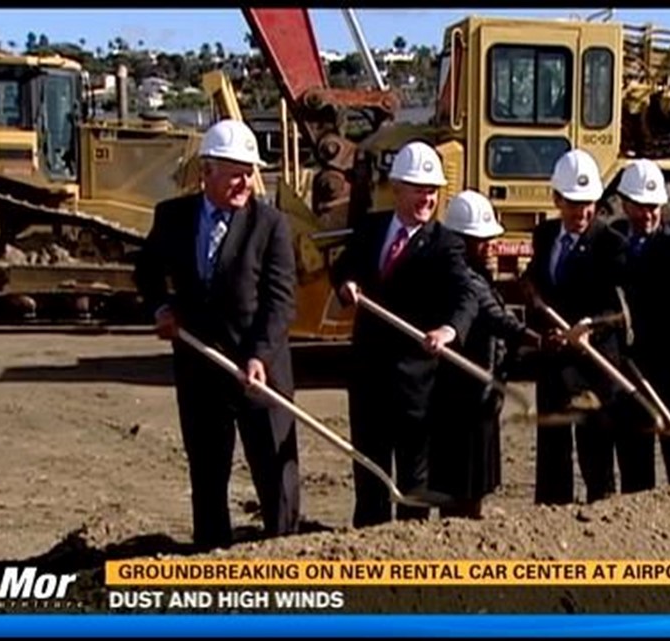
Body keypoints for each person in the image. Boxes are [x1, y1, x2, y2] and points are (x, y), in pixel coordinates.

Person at [133, 119, 300, 549]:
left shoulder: (271, 225)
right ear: (206, 171)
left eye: (250, 171)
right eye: (235, 172)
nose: (245, 181)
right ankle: (212, 553)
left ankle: (283, 552)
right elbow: (146, 270)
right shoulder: (172, 217)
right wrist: (161, 307)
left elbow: (281, 300)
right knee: (207, 471)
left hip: (259, 371)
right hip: (199, 367)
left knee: (274, 470)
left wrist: (260, 356)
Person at [330, 140, 475, 528]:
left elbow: (465, 295)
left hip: (416, 385)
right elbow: (342, 269)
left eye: (433, 191)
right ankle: (370, 545)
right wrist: (346, 286)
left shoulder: (445, 244)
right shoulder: (370, 229)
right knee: (371, 473)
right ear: (396, 189)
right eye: (419, 189)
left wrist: (449, 329)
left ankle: (410, 552)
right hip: (368, 377)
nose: (427, 198)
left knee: (414, 478)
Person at [521, 148, 629, 505]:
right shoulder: (545, 235)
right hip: (555, 361)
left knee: (595, 448)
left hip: (593, 363)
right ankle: (552, 513)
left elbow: (616, 308)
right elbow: (537, 282)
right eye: (573, 202)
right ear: (556, 199)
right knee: (552, 448)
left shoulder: (611, 244)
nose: (581, 212)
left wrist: (588, 327)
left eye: (588, 203)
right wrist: (540, 318)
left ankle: (600, 512)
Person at [427, 191, 540, 519]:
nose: (491, 246)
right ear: (462, 241)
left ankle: (469, 508)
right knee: (463, 464)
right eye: (483, 240)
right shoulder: (463, 276)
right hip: (464, 388)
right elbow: (495, 318)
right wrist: (536, 340)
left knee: (474, 461)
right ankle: (463, 515)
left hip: (480, 385)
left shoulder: (476, 272)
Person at [615, 159, 670, 488]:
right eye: (640, 207)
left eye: (653, 207)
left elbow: (667, 309)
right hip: (627, 365)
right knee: (633, 444)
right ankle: (637, 505)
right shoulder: (614, 246)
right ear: (625, 205)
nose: (647, 215)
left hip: (669, 362)